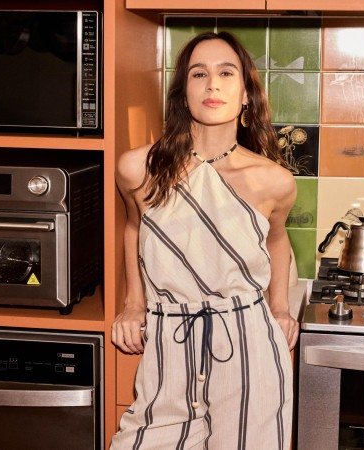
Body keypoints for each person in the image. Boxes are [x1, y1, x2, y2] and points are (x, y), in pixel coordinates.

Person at [110, 31, 299, 450]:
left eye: (226, 73)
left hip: (247, 342)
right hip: (169, 338)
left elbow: (276, 240)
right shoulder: (137, 169)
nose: (212, 84)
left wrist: (280, 307)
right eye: (199, 74)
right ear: (183, 93)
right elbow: (134, 228)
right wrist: (133, 304)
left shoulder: (273, 180)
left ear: (246, 95)